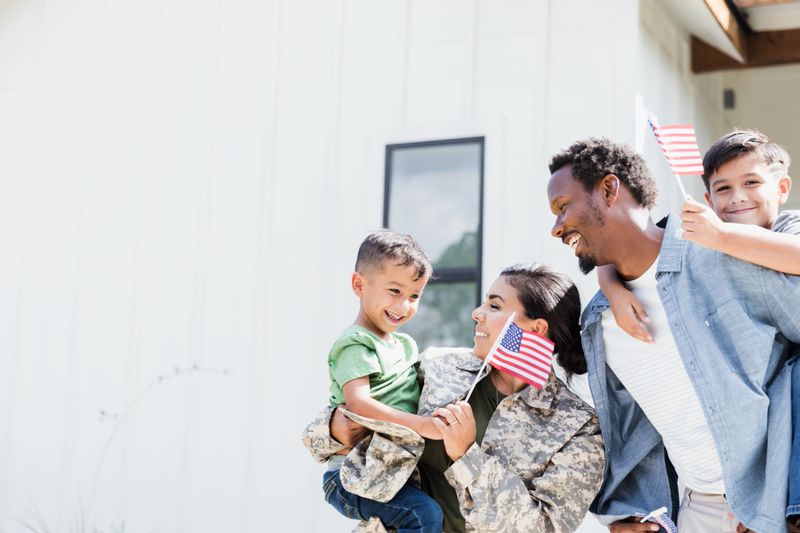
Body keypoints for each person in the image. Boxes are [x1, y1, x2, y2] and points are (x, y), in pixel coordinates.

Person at [546, 137, 800, 533]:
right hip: (696, 510)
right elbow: (632, 433)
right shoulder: (599, 321)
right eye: (725, 188)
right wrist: (624, 514)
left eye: (563, 208)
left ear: (610, 190)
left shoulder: (734, 254)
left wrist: (774, 503)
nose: (556, 228)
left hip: (777, 505)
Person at [304, 264, 605, 533]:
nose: (477, 313)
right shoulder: (438, 366)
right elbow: (350, 417)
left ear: (535, 329)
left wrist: (466, 456)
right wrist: (332, 429)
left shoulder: (578, 427)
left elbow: (544, 527)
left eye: (494, 306)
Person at [322, 230, 443, 533]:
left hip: (389, 471)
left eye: (414, 296)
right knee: (423, 515)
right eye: (394, 291)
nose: (404, 305)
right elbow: (358, 404)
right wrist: (422, 425)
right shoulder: (357, 344)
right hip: (351, 476)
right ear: (359, 285)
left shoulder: (404, 346)